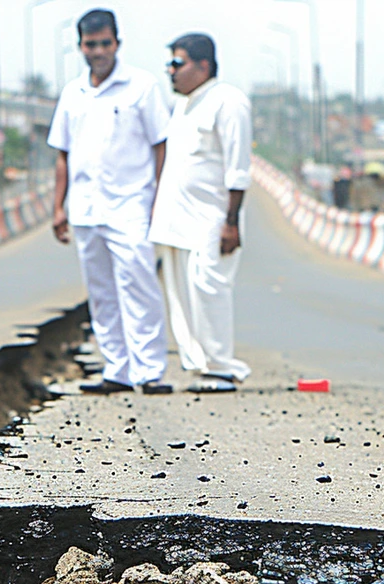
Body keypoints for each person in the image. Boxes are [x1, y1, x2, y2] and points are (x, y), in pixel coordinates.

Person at [48, 8, 172, 395]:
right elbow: (63, 155)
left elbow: (161, 146)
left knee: (139, 286)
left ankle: (149, 371)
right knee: (101, 293)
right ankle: (116, 370)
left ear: (117, 43)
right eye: (91, 44)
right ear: (80, 46)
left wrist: (158, 199)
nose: (99, 51)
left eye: (105, 43)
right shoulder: (73, 93)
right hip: (85, 208)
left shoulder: (142, 87)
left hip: (132, 205)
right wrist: (58, 207)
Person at [149, 33, 252, 393]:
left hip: (213, 219)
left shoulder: (228, 101)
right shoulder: (184, 105)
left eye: (177, 64)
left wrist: (231, 222)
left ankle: (222, 367)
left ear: (203, 66)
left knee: (210, 289)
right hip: (178, 221)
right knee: (182, 293)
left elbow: (238, 168)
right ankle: (202, 364)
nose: (170, 72)